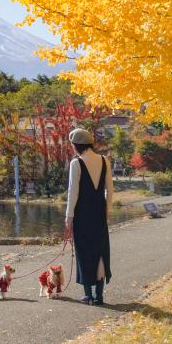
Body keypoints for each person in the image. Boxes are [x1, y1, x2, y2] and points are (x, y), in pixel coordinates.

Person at [63, 128, 113, 305]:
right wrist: (106, 212)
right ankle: (99, 296)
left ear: (76, 145)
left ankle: (88, 295)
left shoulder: (76, 163)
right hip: (99, 212)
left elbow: (73, 193)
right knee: (100, 252)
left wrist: (69, 217)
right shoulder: (104, 160)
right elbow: (110, 190)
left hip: (82, 215)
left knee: (84, 252)